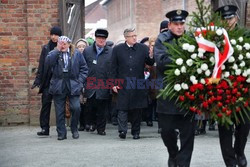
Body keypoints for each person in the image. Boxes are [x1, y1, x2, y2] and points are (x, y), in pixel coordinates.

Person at [154, 10, 196, 167]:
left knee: (188, 135)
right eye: (176, 24)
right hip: (167, 95)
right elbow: (162, 62)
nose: (179, 27)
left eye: (182, 24)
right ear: (170, 25)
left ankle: (183, 164)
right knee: (166, 132)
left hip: (188, 96)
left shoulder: (191, 39)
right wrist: (184, 56)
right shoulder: (162, 39)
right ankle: (173, 153)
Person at [215, 5, 250, 167]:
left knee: (244, 125)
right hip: (221, 90)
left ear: (236, 18)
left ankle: (240, 151)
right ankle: (230, 161)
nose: (228, 21)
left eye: (230, 18)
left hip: (242, 89)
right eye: (225, 18)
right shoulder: (215, 38)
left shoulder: (246, 35)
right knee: (225, 129)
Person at [110, 28, 154, 140]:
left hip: (138, 83)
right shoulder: (117, 49)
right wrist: (113, 83)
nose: (135, 38)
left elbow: (150, 63)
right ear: (126, 38)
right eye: (132, 36)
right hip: (122, 83)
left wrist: (151, 55)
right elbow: (112, 67)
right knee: (122, 108)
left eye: (135, 35)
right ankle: (122, 131)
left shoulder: (143, 48)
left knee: (137, 109)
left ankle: (136, 132)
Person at [44, 36, 88, 140]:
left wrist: (80, 81)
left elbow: (84, 69)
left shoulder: (76, 54)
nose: (62, 45)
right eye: (60, 43)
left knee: (76, 107)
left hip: (73, 83)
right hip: (58, 84)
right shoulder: (53, 53)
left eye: (64, 44)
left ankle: (74, 128)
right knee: (59, 111)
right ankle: (61, 133)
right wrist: (57, 50)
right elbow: (48, 63)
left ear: (69, 44)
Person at [31, 26, 62, 136]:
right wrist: (38, 80)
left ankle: (61, 129)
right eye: (52, 34)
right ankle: (45, 128)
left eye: (56, 35)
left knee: (60, 105)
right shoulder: (46, 48)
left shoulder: (63, 47)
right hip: (48, 81)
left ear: (60, 36)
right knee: (45, 104)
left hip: (59, 80)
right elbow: (41, 66)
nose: (54, 37)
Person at [83, 29, 113, 135]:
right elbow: (83, 67)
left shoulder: (110, 52)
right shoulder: (87, 51)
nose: (101, 40)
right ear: (95, 39)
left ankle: (101, 129)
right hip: (90, 82)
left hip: (104, 83)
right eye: (99, 38)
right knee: (90, 106)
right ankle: (91, 124)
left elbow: (113, 68)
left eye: (103, 38)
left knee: (102, 108)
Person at [75, 38, 89, 131]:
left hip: (89, 82)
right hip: (78, 83)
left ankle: (88, 122)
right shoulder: (74, 57)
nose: (81, 48)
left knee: (88, 104)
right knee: (79, 104)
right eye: (79, 47)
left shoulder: (90, 57)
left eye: (83, 46)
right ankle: (81, 124)